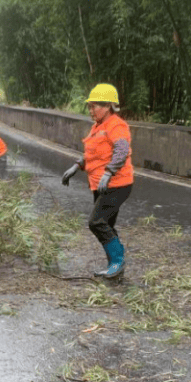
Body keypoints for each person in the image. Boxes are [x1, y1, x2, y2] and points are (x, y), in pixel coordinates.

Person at [61, 84, 134, 279]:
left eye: (95, 106)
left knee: (97, 222)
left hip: (117, 184)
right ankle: (115, 267)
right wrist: (76, 166)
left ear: (108, 106)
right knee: (106, 223)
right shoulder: (97, 128)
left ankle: (118, 263)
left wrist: (109, 173)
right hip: (100, 184)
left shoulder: (116, 125)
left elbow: (121, 150)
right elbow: (93, 154)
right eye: (90, 107)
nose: (91, 111)